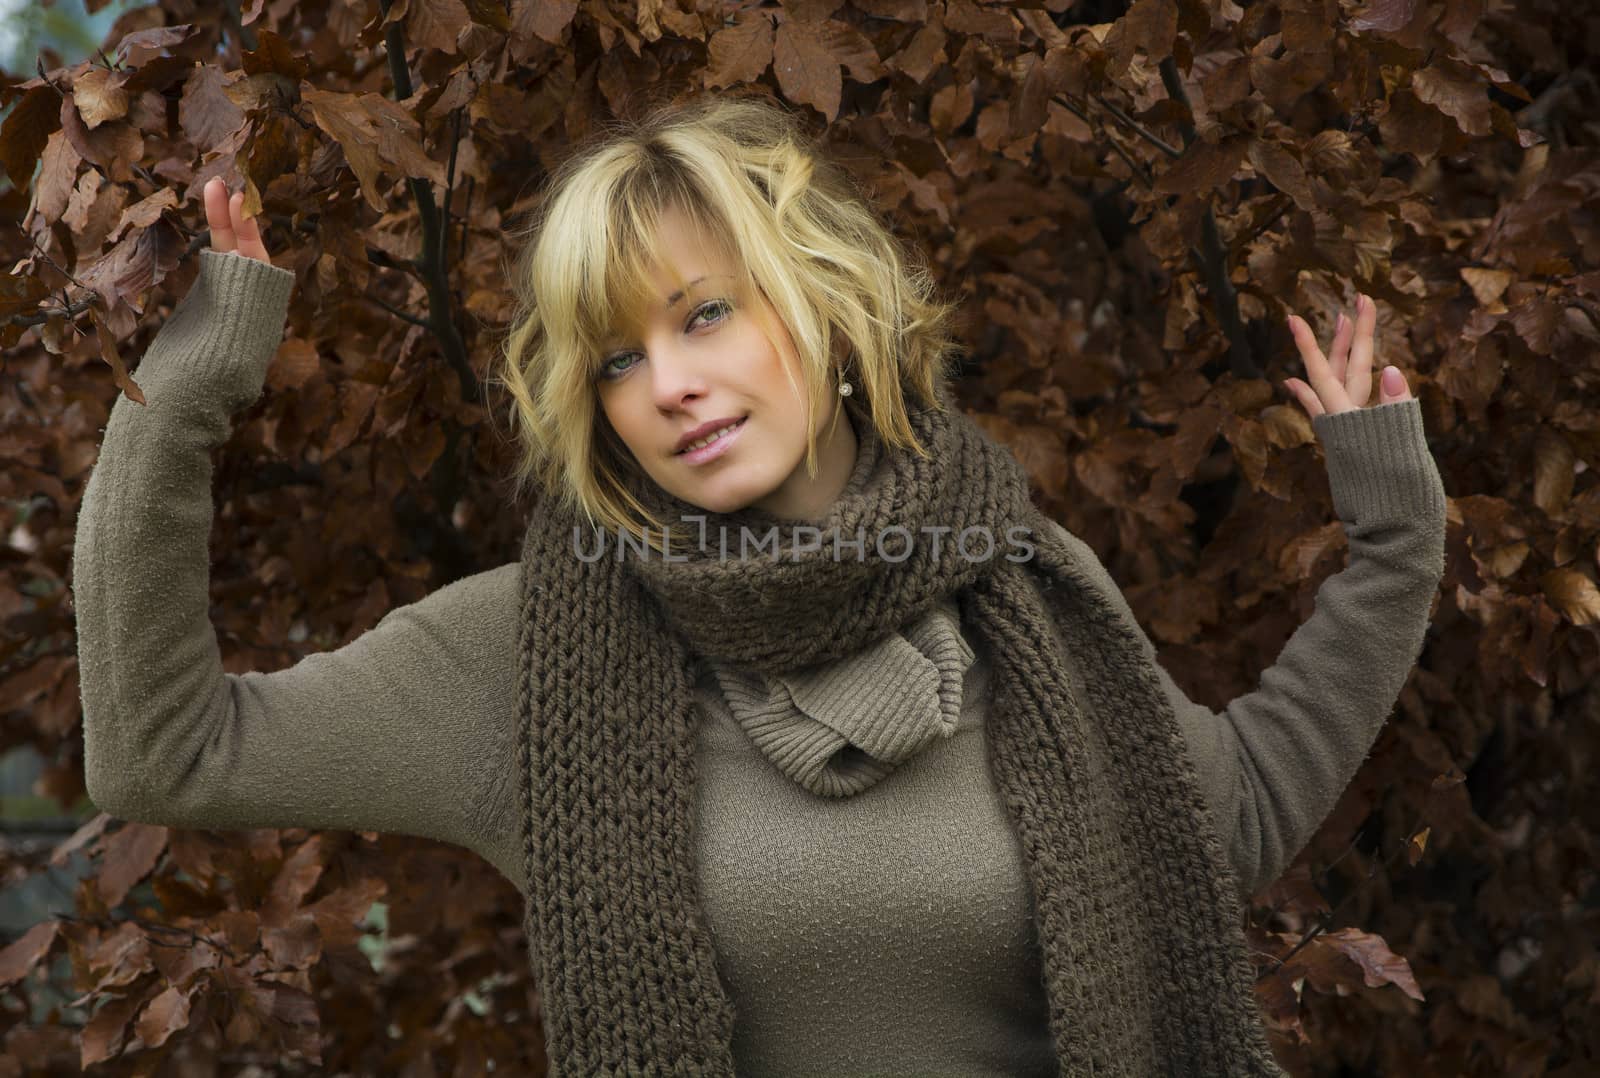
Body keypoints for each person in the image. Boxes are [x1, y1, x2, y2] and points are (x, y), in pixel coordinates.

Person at [73, 95, 1448, 1076]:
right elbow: (166, 749)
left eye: (704, 314)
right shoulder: (525, 659)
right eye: (614, 359)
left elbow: (1240, 809)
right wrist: (180, 394)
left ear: (824, 307)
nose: (666, 384)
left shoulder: (1025, 590)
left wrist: (1392, 530)